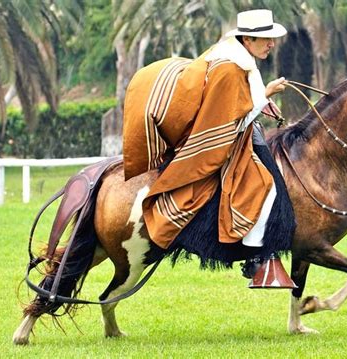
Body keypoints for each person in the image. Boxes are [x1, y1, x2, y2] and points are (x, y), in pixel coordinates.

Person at [122, 9, 296, 288]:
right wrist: (267, 94)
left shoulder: (239, 57)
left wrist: (263, 101)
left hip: (237, 134)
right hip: (220, 143)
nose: (271, 44)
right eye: (266, 38)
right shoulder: (230, 68)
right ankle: (255, 257)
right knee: (265, 185)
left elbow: (239, 104)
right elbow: (231, 122)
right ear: (248, 39)